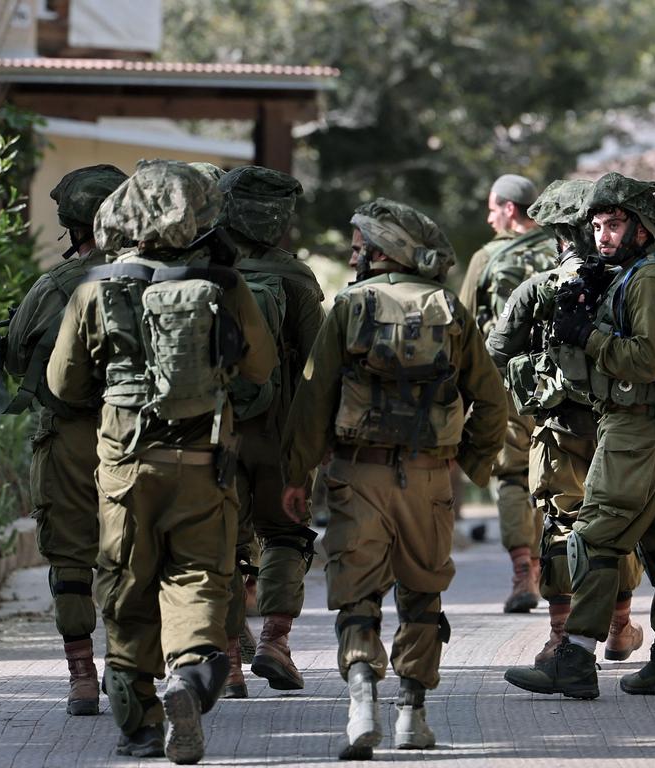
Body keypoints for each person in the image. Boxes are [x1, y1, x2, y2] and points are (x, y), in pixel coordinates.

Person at [47, 160, 277, 762]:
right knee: (199, 575)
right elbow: (259, 368)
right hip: (204, 459)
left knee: (127, 583)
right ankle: (192, 677)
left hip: (124, 464)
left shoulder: (93, 286)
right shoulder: (224, 286)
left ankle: (140, 727)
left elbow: (63, 384)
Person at [280, 199, 508, 758]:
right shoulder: (450, 310)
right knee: (423, 595)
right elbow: (493, 401)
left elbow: (313, 399)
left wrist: (297, 478)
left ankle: (361, 700)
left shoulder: (350, 306)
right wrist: (470, 464)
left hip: (358, 474)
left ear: (383, 251)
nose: (354, 254)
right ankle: (412, 715)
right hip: (430, 481)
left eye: (360, 245)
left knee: (357, 594)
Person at [503, 172, 655, 699]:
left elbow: (647, 361)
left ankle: (576, 658)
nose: (604, 234)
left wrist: (586, 336)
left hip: (639, 422)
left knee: (595, 535)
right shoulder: (638, 273)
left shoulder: (652, 278)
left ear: (643, 228)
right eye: (598, 225)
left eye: (615, 224)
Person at [485, 179, 645, 664]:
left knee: (559, 525)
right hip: (620, 427)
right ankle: (619, 627)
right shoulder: (633, 283)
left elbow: (495, 349)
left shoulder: (538, 287)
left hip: (558, 430)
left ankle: (559, 636)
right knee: (616, 524)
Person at [4, 163, 127, 716]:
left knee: (72, 559)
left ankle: (81, 673)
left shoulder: (55, 285)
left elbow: (14, 356)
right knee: (130, 555)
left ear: (73, 222)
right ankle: (128, 664)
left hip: (70, 439)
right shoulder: (151, 278)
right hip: (135, 436)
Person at [213, 166, 326, 698]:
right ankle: (276, 641)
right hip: (281, 435)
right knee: (286, 534)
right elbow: (318, 365)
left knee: (222, 546)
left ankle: (231, 659)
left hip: (217, 433)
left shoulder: (207, 270)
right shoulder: (296, 277)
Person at [460, 174, 558, 613]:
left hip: (506, 386)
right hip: (558, 385)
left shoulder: (487, 257)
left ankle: (524, 573)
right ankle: (562, 578)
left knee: (513, 477)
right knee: (558, 480)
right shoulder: (561, 250)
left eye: (492, 208)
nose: (488, 217)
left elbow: (462, 327)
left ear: (510, 210)